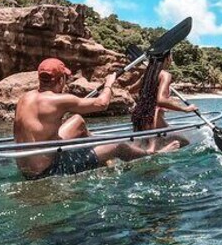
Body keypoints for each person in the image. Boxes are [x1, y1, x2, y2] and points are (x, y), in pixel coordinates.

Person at [14, 57, 178, 179]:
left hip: (26, 169)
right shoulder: (58, 100)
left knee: (77, 120)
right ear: (60, 79)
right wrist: (109, 83)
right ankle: (150, 155)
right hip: (47, 171)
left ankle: (101, 156)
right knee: (118, 145)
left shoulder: (24, 98)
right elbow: (102, 103)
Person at [130, 51, 198, 145]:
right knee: (184, 142)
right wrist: (185, 109)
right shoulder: (165, 75)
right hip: (154, 117)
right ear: (166, 59)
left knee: (143, 149)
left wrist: (151, 83)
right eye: (171, 57)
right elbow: (161, 100)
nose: (171, 60)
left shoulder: (147, 75)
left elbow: (131, 90)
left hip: (140, 117)